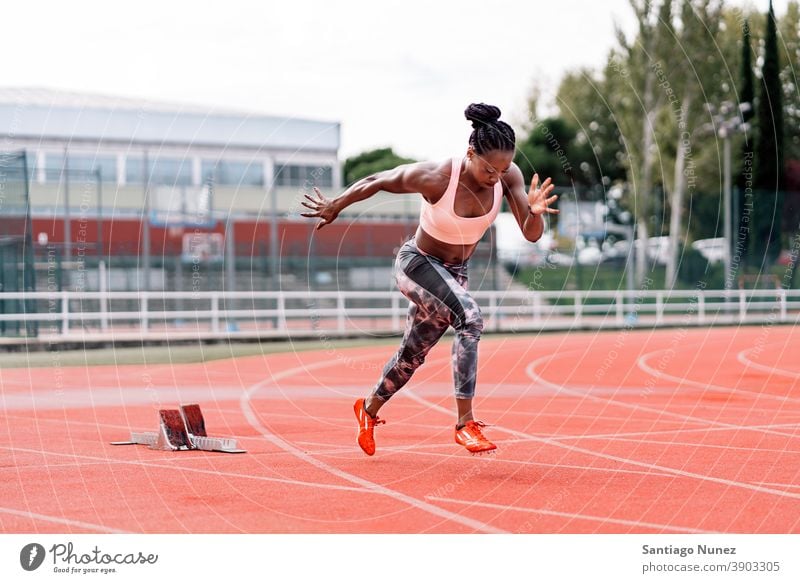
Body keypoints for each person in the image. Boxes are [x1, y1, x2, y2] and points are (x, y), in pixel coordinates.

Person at [301, 103, 558, 455]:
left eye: (502, 169)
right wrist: (337, 204)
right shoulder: (439, 177)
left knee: (412, 355)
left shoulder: (507, 176)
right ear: (470, 153)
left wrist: (536, 213)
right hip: (417, 264)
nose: (496, 176)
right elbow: (379, 180)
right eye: (489, 168)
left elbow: (530, 234)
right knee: (470, 317)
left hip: (454, 275)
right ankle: (464, 424)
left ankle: (368, 409)